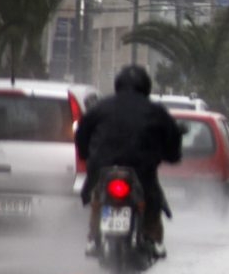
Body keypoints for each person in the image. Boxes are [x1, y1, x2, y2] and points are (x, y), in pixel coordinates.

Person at [75, 65, 183, 258]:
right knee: (152, 198)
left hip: (102, 167)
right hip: (141, 168)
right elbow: (172, 139)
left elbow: (82, 133)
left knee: (96, 195)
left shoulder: (100, 107)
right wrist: (171, 155)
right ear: (145, 86)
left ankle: (93, 238)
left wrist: (85, 155)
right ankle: (153, 237)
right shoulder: (155, 111)